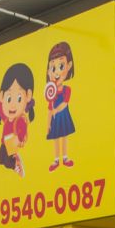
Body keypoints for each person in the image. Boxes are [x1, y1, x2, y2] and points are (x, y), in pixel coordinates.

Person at [0, 63, 35, 177]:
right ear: (2, 96)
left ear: (28, 95)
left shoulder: (20, 120)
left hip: (12, 144)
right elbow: (2, 113)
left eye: (19, 98)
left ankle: (16, 164)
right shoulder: (8, 119)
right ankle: (14, 162)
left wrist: (19, 140)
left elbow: (22, 131)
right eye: (8, 98)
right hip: (4, 142)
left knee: (7, 161)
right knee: (0, 159)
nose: (12, 105)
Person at [44, 42, 76, 171]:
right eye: (53, 68)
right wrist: (48, 124)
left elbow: (65, 103)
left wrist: (56, 110)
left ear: (69, 65)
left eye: (61, 66)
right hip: (55, 119)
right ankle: (56, 159)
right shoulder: (51, 92)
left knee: (64, 137)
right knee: (56, 139)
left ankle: (65, 157)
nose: (56, 72)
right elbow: (49, 109)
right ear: (48, 71)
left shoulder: (67, 89)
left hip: (63, 117)